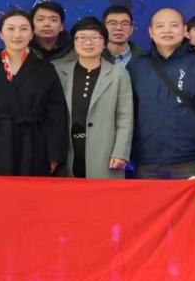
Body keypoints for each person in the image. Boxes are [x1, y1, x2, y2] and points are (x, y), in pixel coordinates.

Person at [128, 8, 195, 179]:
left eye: (173, 25)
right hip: (145, 162)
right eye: (160, 26)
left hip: (190, 162)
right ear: (150, 32)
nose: (167, 31)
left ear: (184, 31)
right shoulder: (136, 66)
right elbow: (125, 112)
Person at [0, 9, 69, 176]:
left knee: (29, 189)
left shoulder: (45, 68)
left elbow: (56, 114)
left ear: (32, 34)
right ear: (0, 34)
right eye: (11, 28)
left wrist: (55, 153)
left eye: (24, 29)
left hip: (33, 140)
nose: (17, 35)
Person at [53, 17, 134, 178]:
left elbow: (125, 118)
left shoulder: (119, 75)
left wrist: (120, 152)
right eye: (81, 37)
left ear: (104, 43)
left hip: (105, 150)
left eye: (95, 38)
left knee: (102, 193)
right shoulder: (58, 71)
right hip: (67, 149)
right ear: (74, 42)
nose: (88, 42)